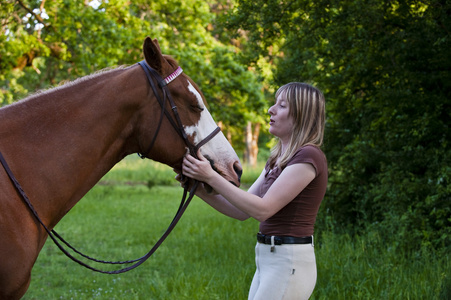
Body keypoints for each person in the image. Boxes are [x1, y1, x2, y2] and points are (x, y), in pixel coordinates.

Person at [181, 82, 327, 300]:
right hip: (268, 260)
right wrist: (200, 189)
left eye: (282, 105)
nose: (271, 109)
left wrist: (210, 176)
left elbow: (263, 210)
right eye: (275, 103)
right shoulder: (277, 160)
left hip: (289, 262)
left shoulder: (309, 156)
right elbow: (242, 210)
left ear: (301, 115)